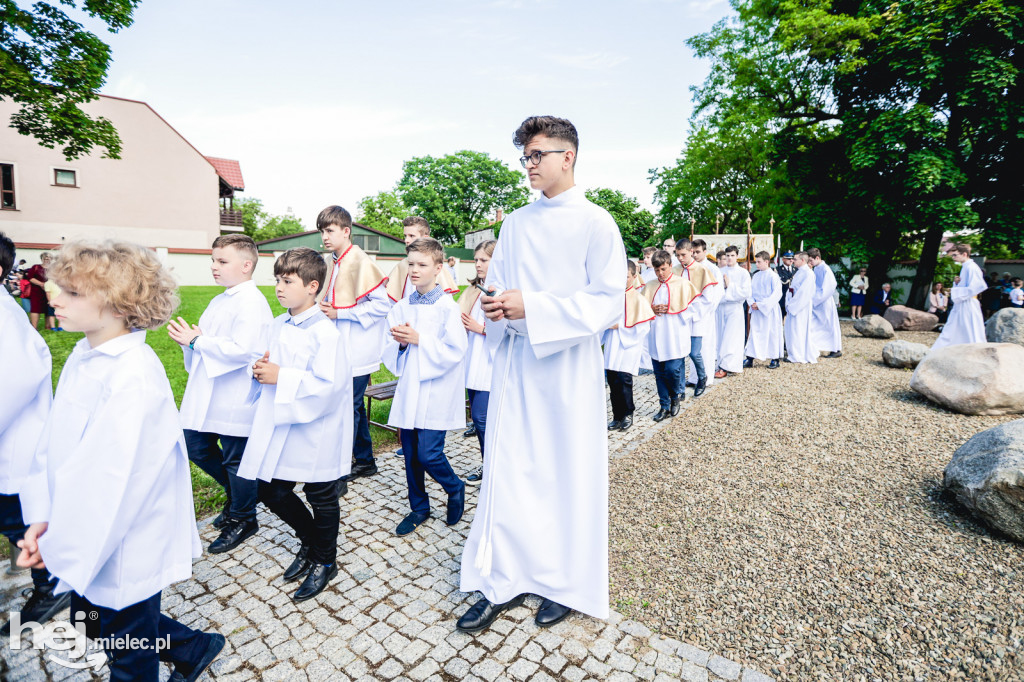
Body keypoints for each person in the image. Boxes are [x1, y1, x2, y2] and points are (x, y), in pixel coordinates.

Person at [17, 241, 224, 682]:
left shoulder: (133, 376)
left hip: (122, 537)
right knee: (88, 621)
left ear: (117, 302)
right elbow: (52, 443)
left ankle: (181, 649)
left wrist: (60, 544)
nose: (53, 297)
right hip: (80, 523)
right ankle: (191, 645)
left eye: (72, 293)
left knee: (128, 656)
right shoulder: (85, 354)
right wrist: (41, 518)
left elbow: (111, 481)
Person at [458, 116, 625, 633]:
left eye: (537, 155)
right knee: (512, 473)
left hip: (568, 370)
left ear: (567, 156)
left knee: (565, 474)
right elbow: (500, 286)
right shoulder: (516, 224)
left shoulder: (597, 222)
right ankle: (501, 577)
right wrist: (497, 308)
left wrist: (533, 306)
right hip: (517, 367)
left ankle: (565, 584)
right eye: (525, 156)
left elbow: (606, 302)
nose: (529, 165)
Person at [237, 247, 352, 602]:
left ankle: (325, 560)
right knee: (270, 490)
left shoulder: (326, 334)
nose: (279, 288)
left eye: (288, 281)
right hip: (282, 423)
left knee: (321, 495)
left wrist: (281, 376)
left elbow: (329, 387)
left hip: (316, 428)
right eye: (277, 280)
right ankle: (311, 541)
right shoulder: (277, 324)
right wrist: (259, 370)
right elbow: (266, 364)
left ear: (312, 286)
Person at [167, 234, 272, 555]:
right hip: (208, 389)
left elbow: (244, 350)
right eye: (213, 260)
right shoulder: (220, 299)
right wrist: (192, 341)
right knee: (195, 445)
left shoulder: (252, 302)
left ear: (246, 265)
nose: (214, 267)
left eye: (221, 261)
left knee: (235, 458)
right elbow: (208, 340)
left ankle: (243, 517)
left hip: (236, 394)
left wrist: (198, 342)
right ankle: (239, 496)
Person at [0, 233, 67, 637]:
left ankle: (53, 585)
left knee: (19, 520)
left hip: (16, 446)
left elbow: (12, 383)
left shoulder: (5, 318)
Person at [382, 237, 467, 537]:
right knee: (410, 454)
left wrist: (421, 341)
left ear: (438, 268)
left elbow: (456, 350)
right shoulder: (403, 306)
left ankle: (454, 487)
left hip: (436, 390)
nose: (415, 270)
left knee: (429, 454)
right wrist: (402, 345)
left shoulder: (447, 307)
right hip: (410, 389)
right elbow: (389, 346)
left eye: (422, 264)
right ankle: (419, 506)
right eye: (411, 264)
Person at [316, 205, 390, 484]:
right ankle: (366, 461)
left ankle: (340, 469)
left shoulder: (360, 261)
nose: (325, 236)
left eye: (330, 230)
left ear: (346, 231)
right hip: (338, 346)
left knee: (347, 408)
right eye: (322, 231)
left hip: (357, 349)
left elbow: (382, 305)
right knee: (354, 407)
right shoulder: (331, 261)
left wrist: (341, 312)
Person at [459, 240, 497, 484]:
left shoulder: (501, 290)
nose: (478, 264)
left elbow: (512, 329)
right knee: (478, 418)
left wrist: (479, 328)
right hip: (473, 359)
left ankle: (493, 467)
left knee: (483, 419)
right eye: (477, 260)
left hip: (491, 363)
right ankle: (490, 464)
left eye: (484, 260)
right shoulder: (474, 289)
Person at [642, 251, 696, 421]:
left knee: (672, 370)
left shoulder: (683, 284)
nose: (660, 274)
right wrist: (651, 309)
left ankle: (675, 397)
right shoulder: (650, 285)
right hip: (656, 335)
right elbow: (641, 310)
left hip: (674, 333)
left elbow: (694, 308)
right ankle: (664, 405)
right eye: (657, 270)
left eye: (663, 269)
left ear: (670, 265)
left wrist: (676, 309)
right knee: (659, 373)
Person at [605, 260, 655, 430]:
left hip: (628, 345)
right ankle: (616, 415)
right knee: (612, 380)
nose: (622, 280)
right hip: (612, 343)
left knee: (624, 381)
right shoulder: (612, 297)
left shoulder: (639, 300)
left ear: (634, 277)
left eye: (626, 277)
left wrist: (621, 326)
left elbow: (643, 327)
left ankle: (627, 414)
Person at [673, 239, 714, 396]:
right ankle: (680, 388)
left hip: (696, 316)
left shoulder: (702, 270)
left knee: (694, 352)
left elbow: (708, 298)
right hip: (679, 317)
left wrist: (692, 310)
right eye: (677, 255)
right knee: (680, 353)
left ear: (691, 251)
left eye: (683, 254)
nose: (680, 258)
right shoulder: (675, 269)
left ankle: (702, 377)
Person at [386, 217, 459, 302]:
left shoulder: (435, 266)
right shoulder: (401, 265)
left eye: (411, 236)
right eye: (405, 236)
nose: (406, 240)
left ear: (425, 237)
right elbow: (392, 301)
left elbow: (446, 303)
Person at [685, 239, 723, 391]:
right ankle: (693, 377)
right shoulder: (689, 268)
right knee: (691, 348)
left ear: (705, 252)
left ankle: (705, 378)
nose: (695, 255)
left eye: (698, 252)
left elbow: (718, 293)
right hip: (690, 313)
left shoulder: (712, 269)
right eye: (692, 252)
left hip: (705, 314)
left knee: (705, 347)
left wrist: (704, 310)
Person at [933, 244, 987, 349]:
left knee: (970, 328)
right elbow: (967, 286)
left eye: (955, 255)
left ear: (964, 254)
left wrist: (955, 290)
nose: (953, 258)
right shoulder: (965, 267)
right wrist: (957, 284)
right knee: (953, 326)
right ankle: (946, 348)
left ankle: (974, 348)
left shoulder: (972, 267)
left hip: (969, 303)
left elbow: (979, 286)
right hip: (962, 302)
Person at [715, 245, 751, 377]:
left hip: (735, 308)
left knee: (732, 337)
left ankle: (729, 366)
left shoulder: (743, 273)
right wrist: (723, 288)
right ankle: (721, 364)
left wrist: (730, 286)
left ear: (737, 256)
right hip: (721, 307)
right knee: (721, 336)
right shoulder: (719, 271)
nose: (729, 258)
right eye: (727, 256)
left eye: (732, 256)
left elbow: (746, 292)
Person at [744, 251, 783, 369]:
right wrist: (751, 303)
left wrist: (761, 305)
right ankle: (750, 358)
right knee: (755, 333)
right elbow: (749, 292)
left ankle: (774, 358)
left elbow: (776, 294)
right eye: (756, 262)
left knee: (772, 334)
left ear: (767, 262)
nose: (757, 264)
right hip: (756, 310)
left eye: (759, 262)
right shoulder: (756, 276)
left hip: (769, 310)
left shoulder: (773, 276)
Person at [807, 248, 842, 358]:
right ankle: (814, 346)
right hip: (817, 301)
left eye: (811, 260)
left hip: (824, 302)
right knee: (814, 325)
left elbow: (830, 286)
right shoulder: (817, 268)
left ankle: (835, 349)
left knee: (829, 325)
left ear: (817, 258)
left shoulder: (826, 269)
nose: (810, 263)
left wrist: (816, 299)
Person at [784, 252, 818, 363]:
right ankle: (793, 352)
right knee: (793, 329)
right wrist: (788, 302)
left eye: (795, 259)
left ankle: (798, 355)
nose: (793, 260)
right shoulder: (799, 272)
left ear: (802, 260)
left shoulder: (808, 274)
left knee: (799, 330)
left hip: (800, 307)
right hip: (793, 304)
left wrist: (793, 306)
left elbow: (804, 293)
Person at [24, 253, 50, 331]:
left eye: (48, 258)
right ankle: (34, 327)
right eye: (45, 258)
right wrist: (41, 284)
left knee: (48, 309)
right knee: (35, 309)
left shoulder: (53, 269)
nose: (47, 260)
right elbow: (30, 278)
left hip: (49, 291)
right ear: (41, 259)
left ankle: (47, 327)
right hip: (36, 292)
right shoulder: (36, 267)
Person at [777, 251, 797, 317]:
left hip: (794, 300)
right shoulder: (777, 270)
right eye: (788, 258)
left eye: (792, 258)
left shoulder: (797, 270)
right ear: (783, 259)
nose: (791, 260)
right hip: (782, 300)